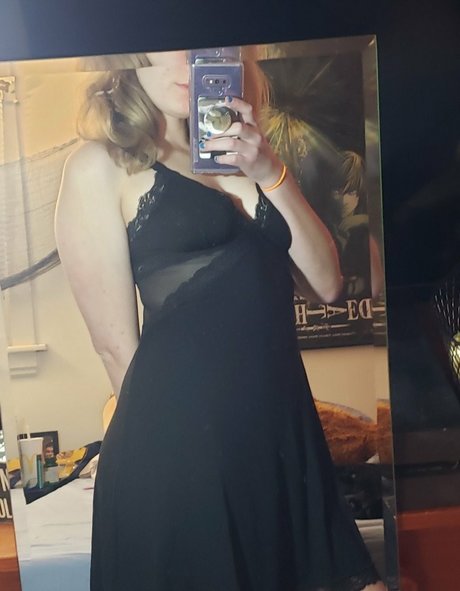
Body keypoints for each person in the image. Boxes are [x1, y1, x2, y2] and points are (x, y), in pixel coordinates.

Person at [55, 49, 386, 591]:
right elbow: (116, 349)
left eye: (203, 49)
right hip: (182, 454)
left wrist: (268, 170)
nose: (189, 66)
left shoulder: (251, 157)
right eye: (172, 48)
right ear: (129, 56)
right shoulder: (100, 164)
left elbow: (327, 283)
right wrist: (177, 468)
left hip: (281, 438)